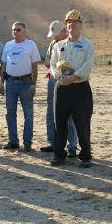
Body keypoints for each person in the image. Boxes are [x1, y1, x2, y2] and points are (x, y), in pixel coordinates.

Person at [49, 10, 94, 168]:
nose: (71, 24)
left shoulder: (87, 44)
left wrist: (73, 77)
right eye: (69, 22)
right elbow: (53, 65)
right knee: (59, 123)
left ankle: (85, 156)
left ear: (80, 25)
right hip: (61, 88)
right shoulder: (59, 45)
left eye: (75, 22)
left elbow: (88, 65)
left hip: (80, 88)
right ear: (66, 25)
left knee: (82, 123)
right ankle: (59, 155)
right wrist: (61, 78)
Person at [0, 22, 41, 151]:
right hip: (10, 82)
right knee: (10, 113)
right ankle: (13, 141)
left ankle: (27, 143)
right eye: (13, 30)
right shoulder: (8, 45)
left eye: (18, 30)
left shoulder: (31, 45)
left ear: (24, 31)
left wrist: (33, 84)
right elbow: (4, 65)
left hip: (26, 82)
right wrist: (1, 82)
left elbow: (35, 66)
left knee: (28, 114)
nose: (15, 32)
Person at [41, 20, 78, 157]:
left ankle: (72, 146)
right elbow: (46, 62)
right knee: (51, 112)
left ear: (64, 31)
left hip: (69, 81)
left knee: (70, 115)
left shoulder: (73, 44)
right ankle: (53, 142)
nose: (54, 37)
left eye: (56, 34)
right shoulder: (52, 44)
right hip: (53, 80)